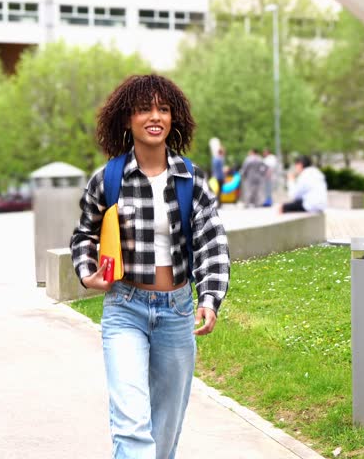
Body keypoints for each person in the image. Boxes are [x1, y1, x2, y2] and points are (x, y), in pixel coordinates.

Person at [70, 74, 230, 459]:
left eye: (163, 109)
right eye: (144, 109)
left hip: (176, 312)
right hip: (125, 309)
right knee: (131, 425)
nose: (154, 116)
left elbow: (212, 242)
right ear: (128, 120)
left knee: (165, 429)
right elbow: (84, 236)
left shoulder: (191, 179)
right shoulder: (108, 178)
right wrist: (87, 272)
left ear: (174, 119)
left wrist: (210, 297)